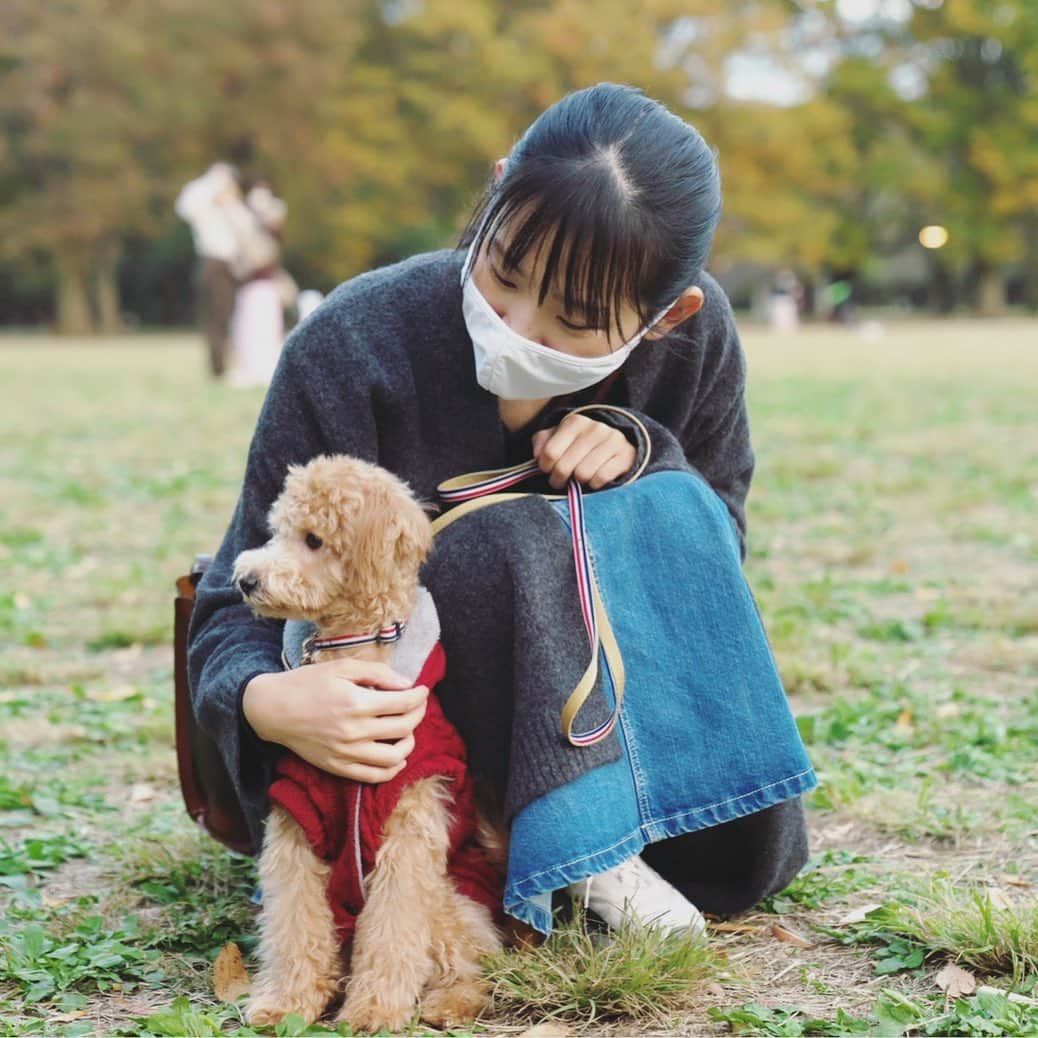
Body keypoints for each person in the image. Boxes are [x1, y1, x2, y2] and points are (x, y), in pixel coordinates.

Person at [188, 83, 814, 941]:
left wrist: (643, 453)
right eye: (504, 275)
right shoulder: (355, 343)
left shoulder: (697, 348)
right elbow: (234, 601)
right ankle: (569, 859)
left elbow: (710, 561)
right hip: (406, 765)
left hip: (622, 733)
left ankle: (603, 840)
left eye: (575, 322)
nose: (517, 325)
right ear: (493, 193)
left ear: (670, 316)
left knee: (621, 516)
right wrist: (270, 703)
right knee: (497, 539)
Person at [175, 162, 242, 378]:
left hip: (232, 264)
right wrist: (213, 184)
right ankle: (219, 369)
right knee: (217, 317)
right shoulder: (203, 202)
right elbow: (185, 206)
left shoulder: (230, 206)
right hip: (214, 262)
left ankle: (226, 364)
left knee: (228, 316)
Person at [225, 180, 290, 388]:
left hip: (264, 285)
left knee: (265, 328)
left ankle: (263, 367)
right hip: (252, 285)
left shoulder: (271, 223)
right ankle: (251, 367)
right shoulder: (246, 223)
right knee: (249, 327)